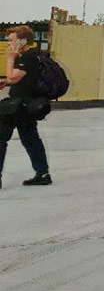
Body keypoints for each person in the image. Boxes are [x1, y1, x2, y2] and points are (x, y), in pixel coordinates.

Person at [0, 26, 51, 189]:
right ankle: (43, 173)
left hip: (18, 105)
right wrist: (7, 82)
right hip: (28, 103)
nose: (9, 44)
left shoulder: (27, 57)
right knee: (30, 138)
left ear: (22, 41)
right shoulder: (33, 56)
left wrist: (10, 58)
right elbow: (23, 78)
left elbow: (13, 77)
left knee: (1, 138)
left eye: (11, 40)